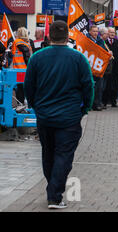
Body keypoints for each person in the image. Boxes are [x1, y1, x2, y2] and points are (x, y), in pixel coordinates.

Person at [24, 21, 94, 209]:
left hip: (45, 116)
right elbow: (88, 86)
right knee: (63, 156)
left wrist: (34, 105)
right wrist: (85, 108)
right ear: (67, 37)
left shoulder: (37, 58)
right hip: (69, 117)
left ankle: (53, 189)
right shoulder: (79, 59)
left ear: (49, 37)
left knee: (48, 154)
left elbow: (29, 86)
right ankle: (54, 195)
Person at [11, 27, 33, 104]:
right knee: (23, 88)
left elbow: (26, 55)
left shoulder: (18, 42)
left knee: (20, 89)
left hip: (20, 70)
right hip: (24, 70)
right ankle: (24, 105)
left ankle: (20, 105)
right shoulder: (27, 43)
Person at [102, 27, 118, 108]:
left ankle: (114, 101)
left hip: (116, 68)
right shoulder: (104, 42)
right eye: (111, 32)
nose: (112, 34)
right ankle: (105, 102)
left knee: (115, 84)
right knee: (107, 85)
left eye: (114, 32)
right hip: (107, 68)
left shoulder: (117, 42)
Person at [87, 25, 104, 111]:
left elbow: (103, 51)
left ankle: (97, 104)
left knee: (99, 87)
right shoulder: (86, 40)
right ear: (90, 31)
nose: (95, 33)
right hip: (88, 67)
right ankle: (89, 104)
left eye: (96, 31)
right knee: (89, 86)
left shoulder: (100, 41)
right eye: (94, 31)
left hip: (97, 67)